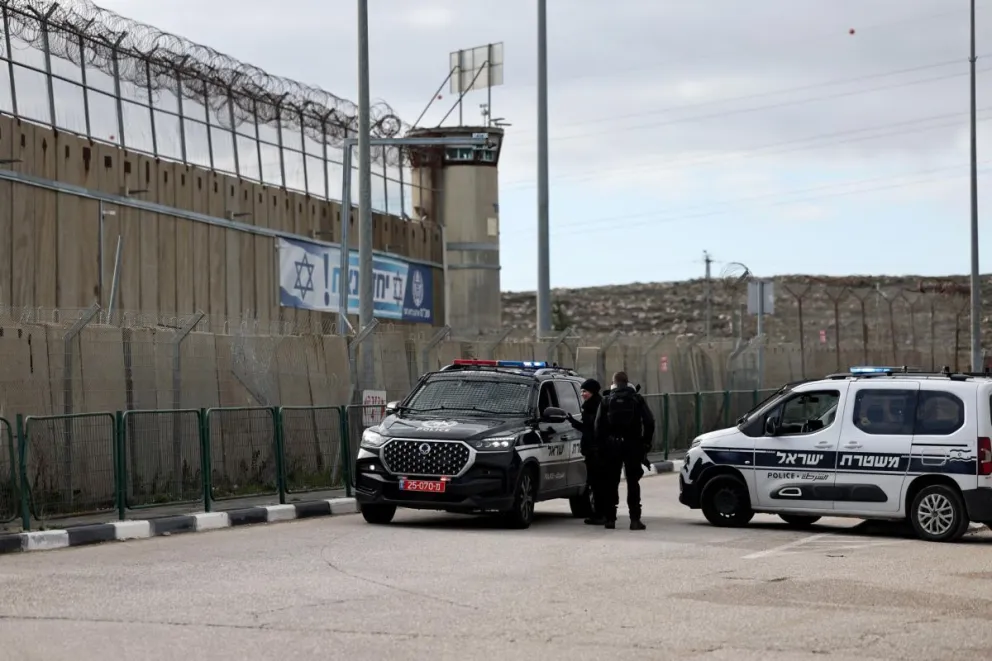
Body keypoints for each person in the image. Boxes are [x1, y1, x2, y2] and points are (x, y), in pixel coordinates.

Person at [594, 371, 656, 530]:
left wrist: (601, 446)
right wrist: (645, 443)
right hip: (633, 445)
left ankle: (610, 519)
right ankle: (635, 520)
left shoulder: (606, 400)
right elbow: (649, 421)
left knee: (611, 482)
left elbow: (598, 426)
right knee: (633, 482)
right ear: (627, 382)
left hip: (612, 446)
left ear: (613, 382)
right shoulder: (636, 399)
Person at [567, 378, 605, 525]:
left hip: (596, 451)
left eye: (585, 391)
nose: (583, 394)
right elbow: (587, 428)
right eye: (582, 391)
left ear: (593, 392)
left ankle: (599, 514)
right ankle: (600, 514)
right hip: (593, 450)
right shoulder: (592, 405)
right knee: (595, 484)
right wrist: (573, 421)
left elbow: (592, 430)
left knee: (597, 484)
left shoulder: (596, 406)